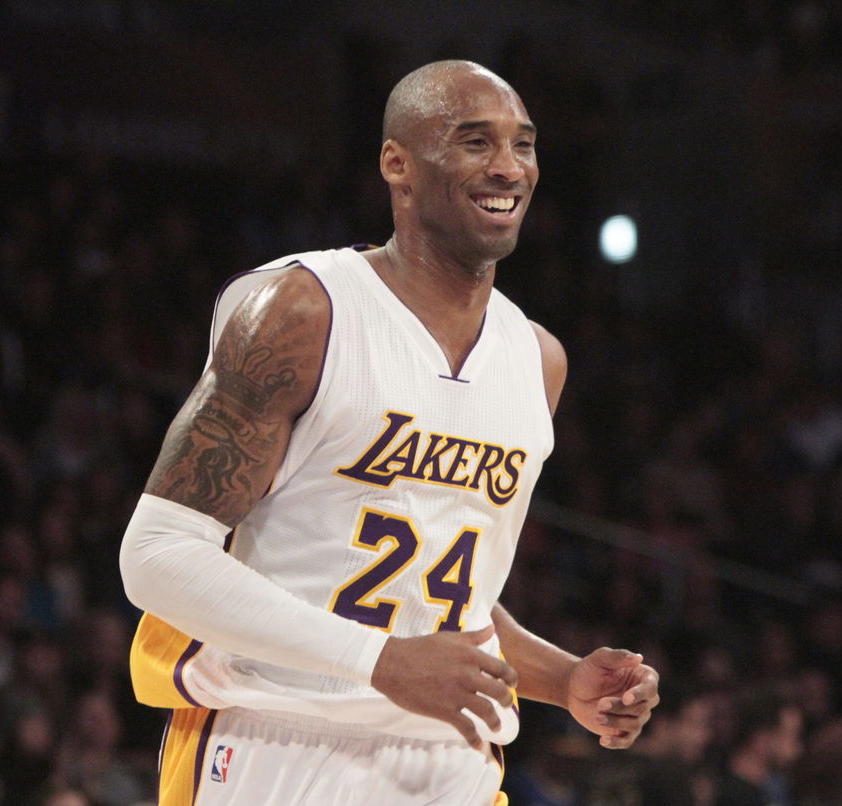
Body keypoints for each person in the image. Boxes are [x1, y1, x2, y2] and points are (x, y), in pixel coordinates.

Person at [119, 59, 660, 806]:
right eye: (475, 142)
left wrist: (562, 679)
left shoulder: (538, 359)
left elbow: (435, 593)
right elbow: (155, 556)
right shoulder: (302, 311)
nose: (508, 167)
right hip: (277, 742)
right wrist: (378, 661)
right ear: (396, 163)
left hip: (453, 754)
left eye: (524, 145)